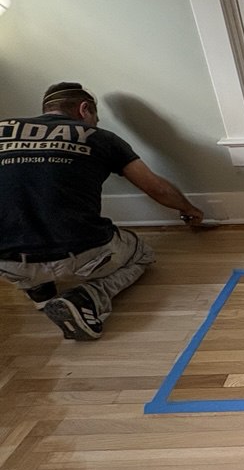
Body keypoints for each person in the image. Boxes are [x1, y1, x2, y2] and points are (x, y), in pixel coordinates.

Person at [0, 82, 204, 341]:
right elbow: (157, 189)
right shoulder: (99, 137)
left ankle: (38, 289)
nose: (95, 122)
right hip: (81, 255)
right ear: (84, 109)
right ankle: (87, 297)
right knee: (141, 253)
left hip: (8, 262)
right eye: (95, 116)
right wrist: (189, 209)